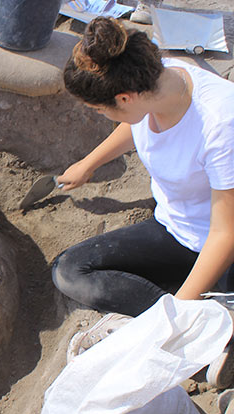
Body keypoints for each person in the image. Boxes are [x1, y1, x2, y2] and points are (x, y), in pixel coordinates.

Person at [51, 17, 234, 386]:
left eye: (101, 110)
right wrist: (88, 165)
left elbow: (224, 234)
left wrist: (177, 315)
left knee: (205, 304)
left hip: (221, 247)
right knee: (68, 270)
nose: (102, 116)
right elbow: (134, 123)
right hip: (173, 228)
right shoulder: (156, 84)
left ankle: (205, 331)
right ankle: (199, 322)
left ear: (125, 98)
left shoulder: (220, 123)